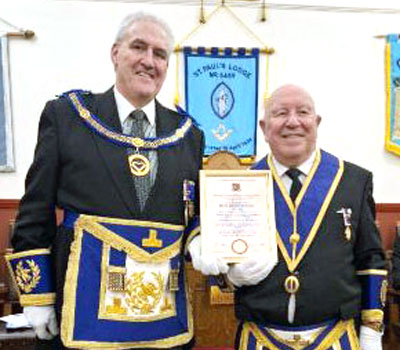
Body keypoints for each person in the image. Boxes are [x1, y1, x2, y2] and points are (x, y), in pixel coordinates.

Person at [5, 12, 222, 350]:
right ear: (115, 53)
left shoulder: (188, 134)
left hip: (163, 321)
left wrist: (200, 239)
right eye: (139, 47)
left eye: (160, 54)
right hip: (81, 312)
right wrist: (37, 297)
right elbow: (36, 210)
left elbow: (193, 212)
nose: (149, 61)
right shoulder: (68, 116)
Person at [223, 84, 387, 350]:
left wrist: (371, 331)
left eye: (303, 112)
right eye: (280, 113)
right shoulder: (239, 185)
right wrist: (230, 277)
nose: (293, 122)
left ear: (317, 122)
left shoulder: (353, 181)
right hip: (260, 339)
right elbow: (217, 259)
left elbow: (371, 260)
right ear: (264, 128)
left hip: (335, 339)